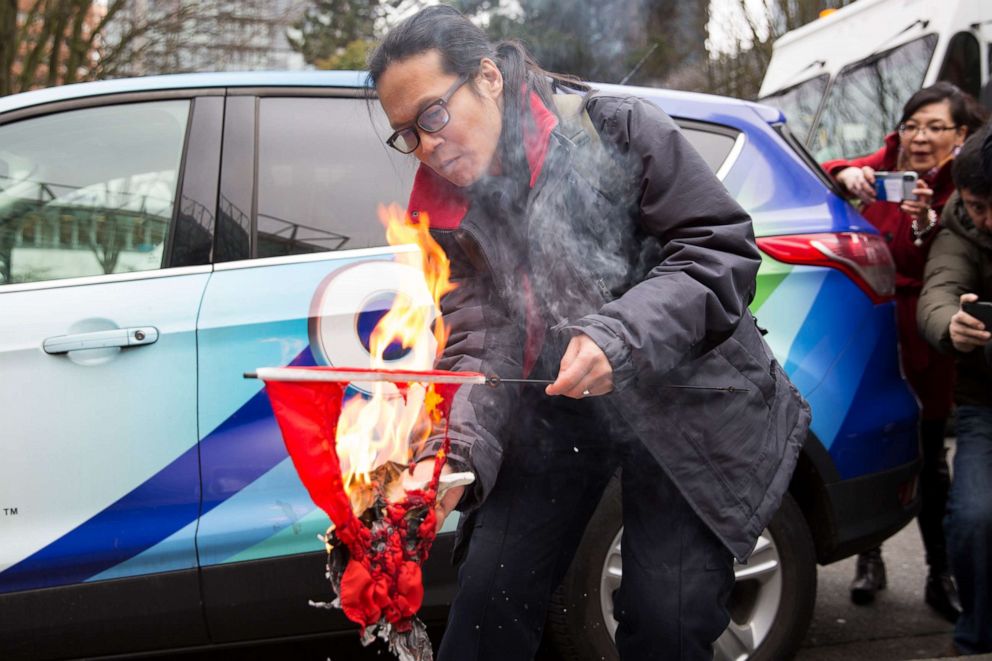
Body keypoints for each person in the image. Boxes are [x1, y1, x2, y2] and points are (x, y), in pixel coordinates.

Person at [368, 6, 810, 659]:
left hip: (683, 398)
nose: (428, 146)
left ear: (488, 77)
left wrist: (619, 336)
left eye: (433, 115)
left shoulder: (617, 131)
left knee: (665, 618)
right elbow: (476, 335)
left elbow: (717, 252)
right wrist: (456, 450)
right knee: (490, 596)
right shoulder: (443, 207)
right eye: (406, 133)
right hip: (556, 410)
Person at [821, 82, 988, 619]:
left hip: (926, 332)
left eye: (935, 127)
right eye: (913, 125)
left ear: (961, 135)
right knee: (870, 435)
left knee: (928, 448)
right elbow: (832, 166)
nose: (920, 138)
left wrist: (922, 220)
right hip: (868, 318)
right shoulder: (887, 159)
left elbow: (945, 261)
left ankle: (940, 572)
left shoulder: (968, 187)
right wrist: (847, 176)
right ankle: (870, 558)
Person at [918, 125, 992, 655]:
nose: (988, 218)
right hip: (984, 404)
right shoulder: (960, 229)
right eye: (978, 205)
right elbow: (938, 293)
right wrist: (952, 327)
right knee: (973, 520)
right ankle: (976, 637)